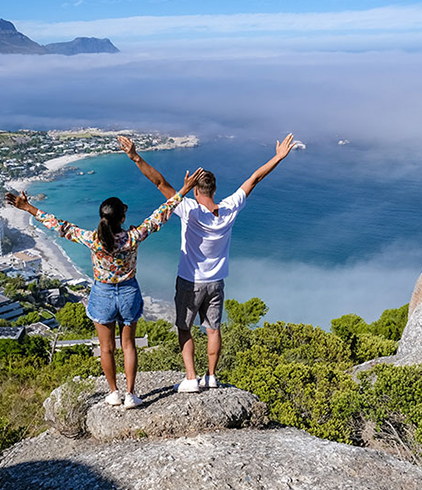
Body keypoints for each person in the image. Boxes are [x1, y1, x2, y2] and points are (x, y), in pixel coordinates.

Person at [5, 167, 204, 408]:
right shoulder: (133, 237)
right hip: (129, 292)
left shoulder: (93, 240)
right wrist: (184, 189)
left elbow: (61, 227)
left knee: (106, 348)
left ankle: (113, 393)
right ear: (122, 218)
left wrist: (28, 208)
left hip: (102, 294)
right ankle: (131, 394)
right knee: (129, 345)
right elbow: (160, 214)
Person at [119, 133, 297, 392]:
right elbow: (254, 179)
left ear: (194, 189)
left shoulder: (188, 208)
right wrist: (278, 157)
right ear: (214, 189)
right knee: (213, 330)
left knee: (184, 328)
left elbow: (159, 182)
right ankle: (211, 376)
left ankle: (191, 378)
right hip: (216, 282)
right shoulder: (229, 208)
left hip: (190, 281)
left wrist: (135, 157)